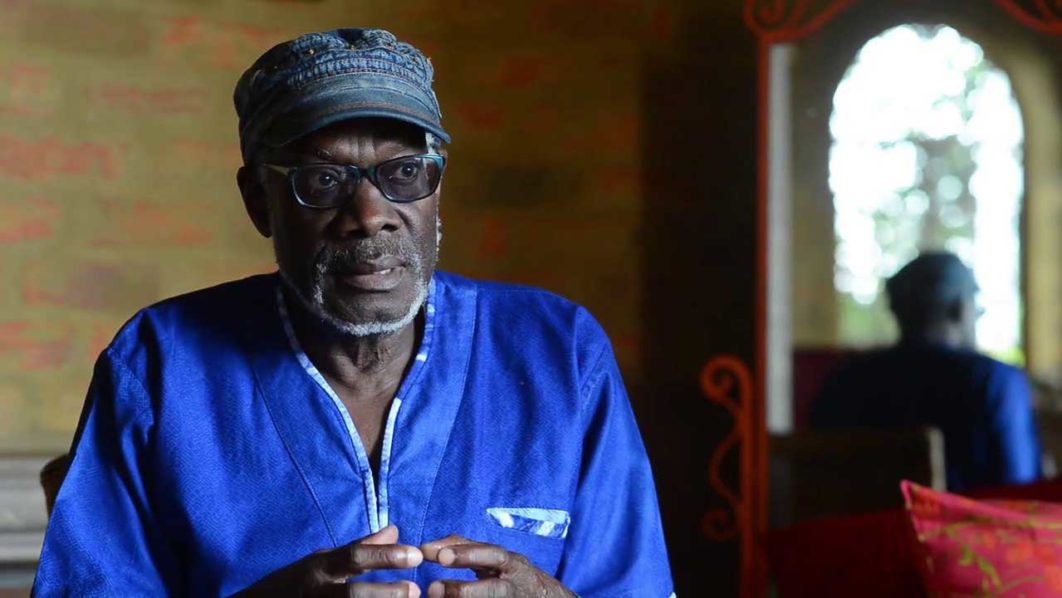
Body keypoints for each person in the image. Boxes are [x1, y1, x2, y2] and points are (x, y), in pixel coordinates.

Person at [33, 29, 674, 597]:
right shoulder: (160, 364)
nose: (370, 215)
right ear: (259, 201)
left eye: (404, 172)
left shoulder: (558, 353)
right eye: (322, 180)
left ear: (437, 186)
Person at [810, 251, 1041, 492]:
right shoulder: (996, 382)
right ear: (960, 308)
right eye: (978, 310)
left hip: (860, 518)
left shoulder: (843, 380)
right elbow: (1021, 488)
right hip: (965, 518)